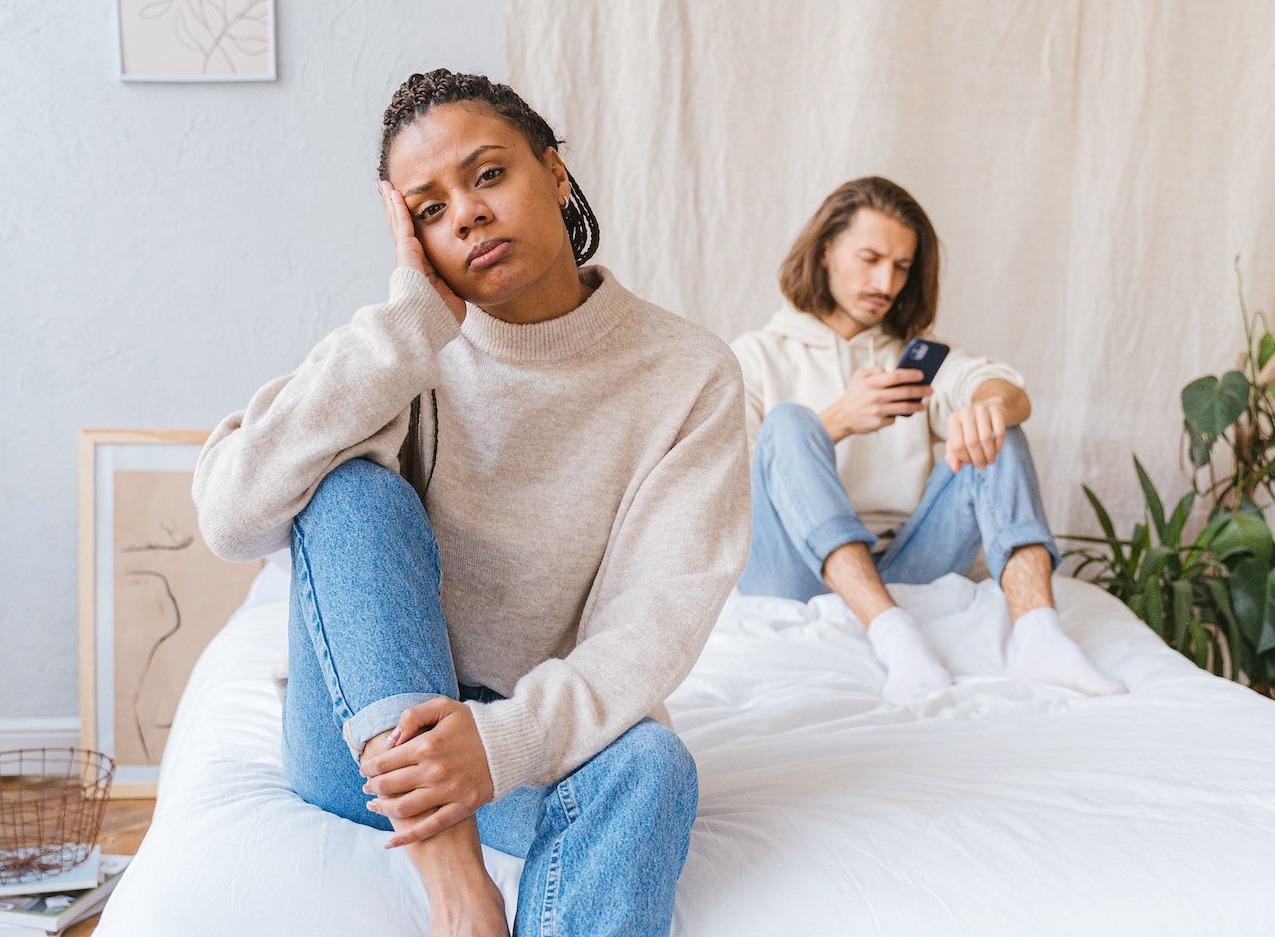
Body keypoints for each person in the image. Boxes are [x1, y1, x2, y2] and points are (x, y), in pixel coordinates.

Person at [192, 69, 749, 937]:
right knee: (351, 494)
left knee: (654, 765)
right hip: (356, 744)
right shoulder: (402, 351)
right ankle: (459, 895)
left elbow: (655, 618)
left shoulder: (687, 374)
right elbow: (231, 518)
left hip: (511, 742)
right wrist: (410, 325)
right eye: (427, 208)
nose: (466, 214)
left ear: (554, 173)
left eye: (487, 175)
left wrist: (500, 742)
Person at [730, 176, 1125, 704]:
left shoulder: (913, 357)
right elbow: (730, 487)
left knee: (995, 424)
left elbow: (1006, 390)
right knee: (789, 423)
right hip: (789, 569)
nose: (885, 282)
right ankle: (895, 635)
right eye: (869, 258)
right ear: (825, 251)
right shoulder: (754, 356)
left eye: (901, 267)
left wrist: (988, 406)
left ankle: (1040, 636)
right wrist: (840, 419)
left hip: (905, 564)